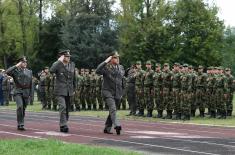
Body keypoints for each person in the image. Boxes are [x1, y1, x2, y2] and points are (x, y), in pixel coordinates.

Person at [96, 51, 124, 135]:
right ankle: (117, 125)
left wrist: (122, 91)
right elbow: (97, 70)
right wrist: (105, 61)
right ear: (111, 59)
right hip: (107, 91)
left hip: (117, 92)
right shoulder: (106, 67)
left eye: (118, 57)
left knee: (112, 111)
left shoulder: (121, 67)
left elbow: (120, 79)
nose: (117, 59)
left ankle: (107, 128)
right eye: (115, 57)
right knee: (113, 108)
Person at [50, 50, 76, 133]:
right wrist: (59, 61)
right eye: (66, 56)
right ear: (62, 57)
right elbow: (51, 70)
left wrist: (74, 89)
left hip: (69, 90)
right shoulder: (58, 65)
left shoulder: (72, 65)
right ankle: (63, 124)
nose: (68, 58)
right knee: (63, 107)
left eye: (69, 56)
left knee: (68, 108)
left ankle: (64, 123)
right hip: (60, 90)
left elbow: (74, 78)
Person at [6, 56, 33, 130]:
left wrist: (31, 95)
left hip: (26, 92)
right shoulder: (15, 71)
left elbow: (31, 84)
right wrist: (16, 66)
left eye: (25, 62)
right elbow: (7, 72)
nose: (25, 63)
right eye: (23, 62)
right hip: (18, 91)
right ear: (19, 63)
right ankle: (20, 124)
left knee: (23, 108)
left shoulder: (29, 71)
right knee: (20, 107)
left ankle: (21, 122)